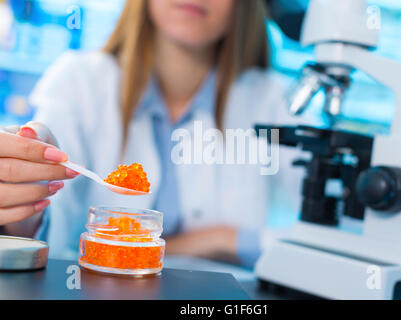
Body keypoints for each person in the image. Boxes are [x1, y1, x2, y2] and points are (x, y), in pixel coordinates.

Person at [0, 0, 307, 267]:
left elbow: (331, 235)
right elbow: (46, 231)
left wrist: (227, 239)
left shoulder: (274, 102)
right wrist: (23, 199)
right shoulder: (79, 82)